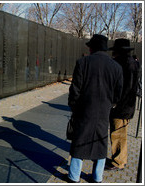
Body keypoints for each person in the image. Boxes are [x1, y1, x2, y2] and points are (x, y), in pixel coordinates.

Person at [67, 34, 123, 183]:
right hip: (104, 111)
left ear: (92, 48)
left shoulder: (83, 62)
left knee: (79, 140)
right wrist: (110, 104)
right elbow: (118, 93)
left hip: (83, 110)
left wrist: (73, 106)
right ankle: (97, 177)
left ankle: (74, 176)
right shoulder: (116, 67)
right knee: (101, 141)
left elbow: (75, 89)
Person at [105, 39, 139, 171]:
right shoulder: (132, 63)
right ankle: (119, 159)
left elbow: (125, 87)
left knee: (118, 134)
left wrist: (115, 103)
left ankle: (118, 161)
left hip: (121, 107)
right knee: (120, 133)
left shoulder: (124, 64)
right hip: (126, 106)